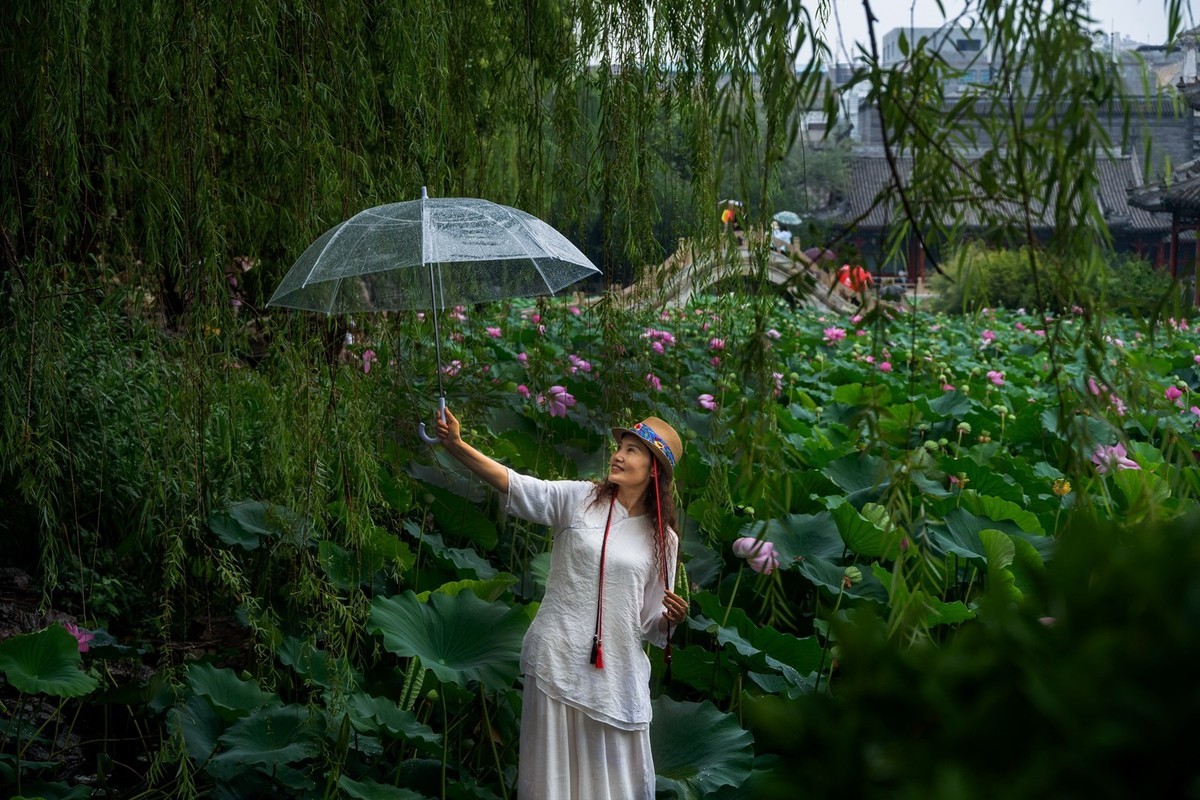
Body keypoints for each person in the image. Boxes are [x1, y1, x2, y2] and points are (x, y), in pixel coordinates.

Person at [435, 408, 688, 800]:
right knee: (552, 785)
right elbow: (515, 484)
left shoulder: (664, 541)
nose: (618, 455)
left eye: (632, 450)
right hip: (557, 661)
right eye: (620, 447)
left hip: (617, 680)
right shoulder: (580, 499)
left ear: (654, 469)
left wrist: (671, 618)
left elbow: (650, 624)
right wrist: (456, 445)